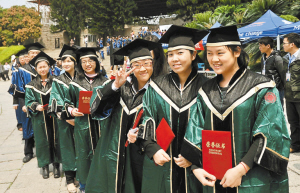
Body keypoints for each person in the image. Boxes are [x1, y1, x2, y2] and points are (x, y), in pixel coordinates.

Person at [185, 26, 290, 193]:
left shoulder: (262, 87)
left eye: (220, 53)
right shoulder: (205, 91)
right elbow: (195, 130)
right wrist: (196, 168)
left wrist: (241, 169)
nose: (214, 59)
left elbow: (271, 132)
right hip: (212, 178)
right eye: (210, 53)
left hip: (251, 178)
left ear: (237, 51)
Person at [86, 39, 166, 193]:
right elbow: (96, 110)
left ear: (152, 64)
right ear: (131, 67)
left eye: (146, 63)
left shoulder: (159, 91)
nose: (142, 69)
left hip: (142, 155)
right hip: (115, 151)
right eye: (137, 65)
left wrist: (141, 133)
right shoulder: (120, 87)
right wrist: (115, 86)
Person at [135, 25, 208, 193]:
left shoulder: (208, 87)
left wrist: (194, 157)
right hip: (163, 162)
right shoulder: (156, 86)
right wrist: (153, 150)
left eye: (180, 53)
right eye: (171, 54)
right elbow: (147, 120)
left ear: (193, 54)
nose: (175, 59)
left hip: (197, 167)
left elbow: (213, 128)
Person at [64, 47, 108, 193]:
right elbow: (67, 101)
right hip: (83, 125)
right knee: (83, 154)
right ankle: (84, 186)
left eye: (90, 61)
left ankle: (104, 184)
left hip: (102, 125)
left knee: (103, 153)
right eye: (83, 61)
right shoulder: (76, 83)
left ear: (96, 61)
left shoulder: (105, 82)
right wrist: (72, 110)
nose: (87, 64)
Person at [25, 51, 62, 179]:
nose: (42, 69)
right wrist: (36, 106)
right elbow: (28, 101)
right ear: (36, 69)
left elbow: (61, 97)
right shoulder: (31, 85)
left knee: (57, 140)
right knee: (42, 141)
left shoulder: (56, 82)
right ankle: (44, 166)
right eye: (39, 67)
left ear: (49, 67)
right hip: (40, 119)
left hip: (55, 118)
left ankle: (57, 165)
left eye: (44, 66)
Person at [48, 45, 78, 193]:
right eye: (64, 61)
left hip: (81, 120)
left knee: (81, 147)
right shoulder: (58, 80)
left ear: (75, 62)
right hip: (65, 122)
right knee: (67, 148)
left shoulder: (82, 77)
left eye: (69, 60)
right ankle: (69, 179)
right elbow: (55, 101)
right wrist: (67, 117)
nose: (66, 63)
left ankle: (80, 174)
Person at [11, 42, 45, 164]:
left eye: (37, 53)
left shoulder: (45, 67)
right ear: (28, 55)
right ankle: (28, 152)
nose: (34, 55)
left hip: (43, 103)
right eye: (32, 53)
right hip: (28, 102)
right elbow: (19, 90)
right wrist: (24, 104)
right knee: (28, 125)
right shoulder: (22, 70)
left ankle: (47, 151)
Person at [282, 32, 300, 153]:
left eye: (284, 43)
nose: (283, 46)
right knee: (293, 122)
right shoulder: (287, 59)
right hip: (289, 96)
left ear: (292, 44)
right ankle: (295, 145)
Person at [258, 37, 285, 106]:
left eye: (261, 45)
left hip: (277, 89)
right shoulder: (263, 58)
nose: (259, 47)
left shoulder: (277, 58)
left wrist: (281, 87)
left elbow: (283, 74)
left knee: (278, 109)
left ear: (268, 46)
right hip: (266, 88)